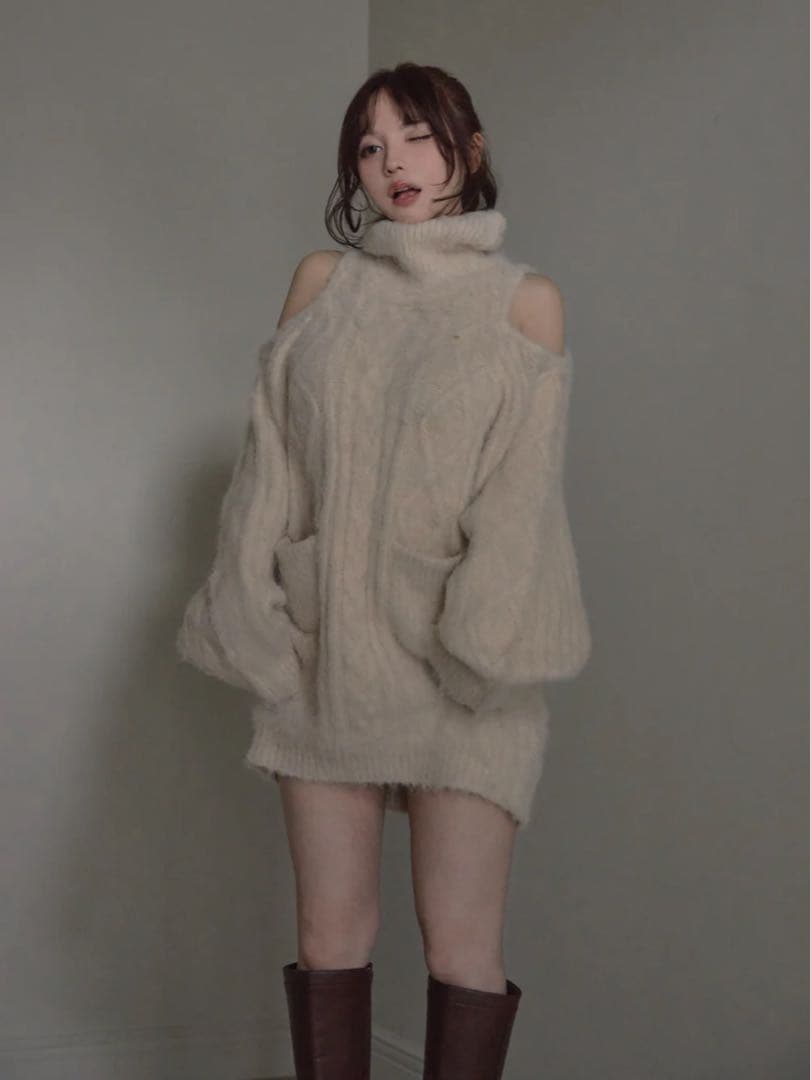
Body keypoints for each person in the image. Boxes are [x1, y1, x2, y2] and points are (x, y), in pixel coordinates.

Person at [176, 61, 591, 1079]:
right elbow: (269, 470)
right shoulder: (323, 285)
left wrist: (476, 652)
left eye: (416, 135)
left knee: (461, 952)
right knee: (331, 939)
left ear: (469, 148)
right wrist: (260, 626)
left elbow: (521, 503)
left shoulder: (525, 302)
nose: (392, 162)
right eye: (369, 146)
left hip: (464, 667)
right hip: (327, 654)